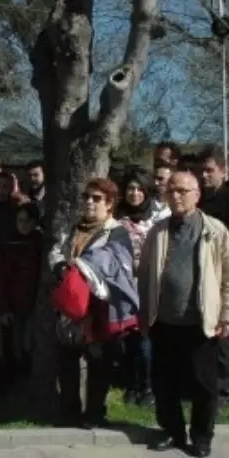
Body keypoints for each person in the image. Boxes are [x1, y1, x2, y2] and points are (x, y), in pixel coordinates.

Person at [138, 171, 229, 458]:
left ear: (197, 195)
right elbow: (145, 276)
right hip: (164, 321)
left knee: (204, 385)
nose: (176, 195)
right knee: (164, 383)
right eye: (171, 190)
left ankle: (201, 436)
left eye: (183, 190)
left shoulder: (215, 231)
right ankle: (172, 431)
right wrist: (144, 314)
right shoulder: (157, 232)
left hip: (201, 323)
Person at [49, 179, 139, 427]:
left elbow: (119, 267)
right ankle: (69, 411)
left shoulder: (117, 232)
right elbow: (57, 251)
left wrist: (82, 269)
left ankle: (95, 413)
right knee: (67, 360)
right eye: (87, 197)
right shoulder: (74, 228)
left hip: (99, 308)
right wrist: (59, 267)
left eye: (97, 198)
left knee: (99, 362)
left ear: (110, 204)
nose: (89, 202)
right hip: (70, 306)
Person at [195, 146, 229, 398]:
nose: (204, 176)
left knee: (223, 332)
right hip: (197, 274)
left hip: (222, 273)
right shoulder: (198, 201)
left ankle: (225, 386)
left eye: (209, 170)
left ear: (222, 171)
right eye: (201, 171)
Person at [114, 168, 163, 405]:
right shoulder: (116, 220)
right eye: (130, 189)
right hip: (123, 287)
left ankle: (148, 387)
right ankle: (130, 385)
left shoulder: (156, 220)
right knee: (126, 341)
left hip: (147, 286)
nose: (134, 193)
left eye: (139, 189)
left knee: (146, 341)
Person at [0, 203, 43, 377]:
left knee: (30, 344)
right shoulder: (9, 243)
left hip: (35, 303)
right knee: (17, 347)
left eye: (27, 221)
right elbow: (1, 279)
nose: (23, 225)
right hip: (14, 305)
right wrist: (2, 308)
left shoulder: (41, 244)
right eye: (20, 220)